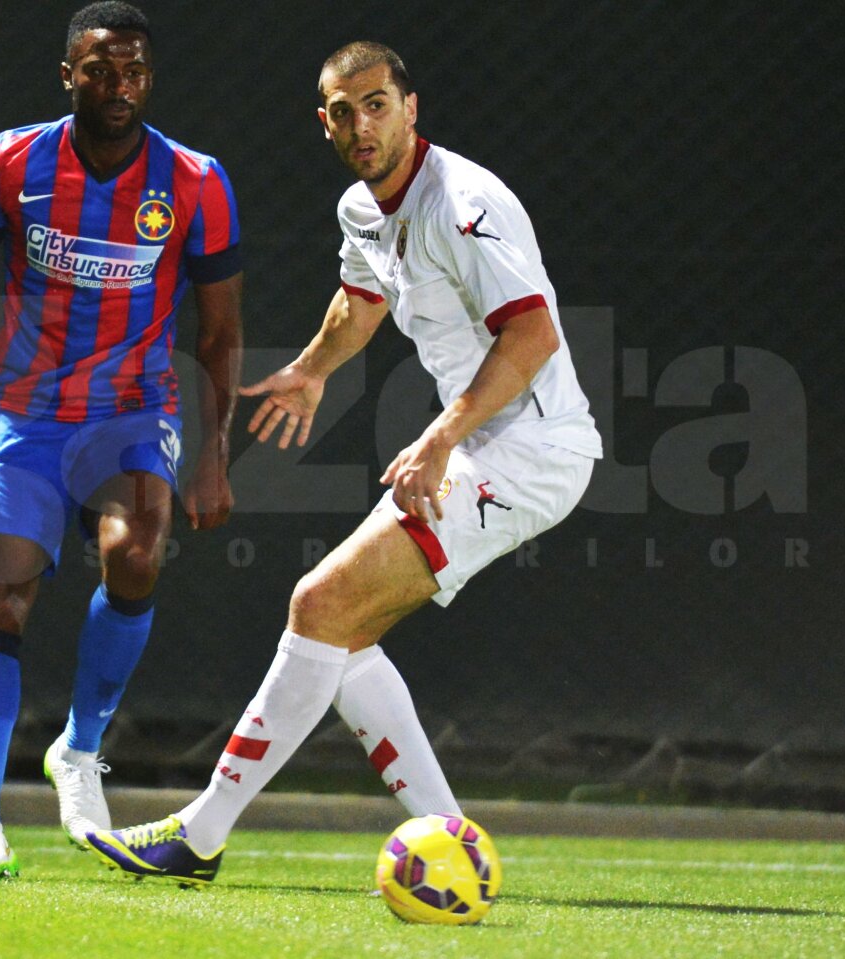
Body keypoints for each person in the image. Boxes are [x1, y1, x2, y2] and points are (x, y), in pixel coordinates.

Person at [87, 40, 601, 885]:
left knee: (317, 602)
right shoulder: (362, 209)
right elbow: (362, 296)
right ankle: (453, 843)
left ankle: (199, 835)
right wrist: (314, 369)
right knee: (344, 632)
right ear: (321, 121)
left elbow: (534, 334)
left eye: (375, 104)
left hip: (531, 447)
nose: (361, 124)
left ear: (410, 107)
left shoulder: (464, 201)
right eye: (342, 110)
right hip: (484, 442)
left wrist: (437, 440)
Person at [0, 2, 243, 881]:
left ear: (149, 78)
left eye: (133, 70)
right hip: (23, 412)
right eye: (100, 70)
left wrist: (211, 455)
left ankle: (79, 750)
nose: (118, 86)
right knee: (3, 597)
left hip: (133, 408)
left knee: (136, 556)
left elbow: (218, 332)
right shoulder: (8, 163)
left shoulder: (196, 183)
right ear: (69, 75)